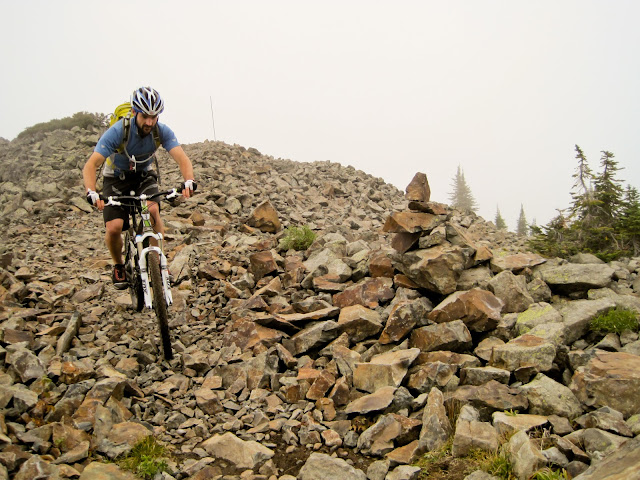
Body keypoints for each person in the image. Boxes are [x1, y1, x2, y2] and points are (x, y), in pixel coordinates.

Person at [82, 86, 196, 289]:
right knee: (114, 227)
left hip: (143, 176)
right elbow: (91, 165)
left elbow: (182, 158)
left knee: (152, 210)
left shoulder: (161, 131)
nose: (149, 122)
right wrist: (91, 192)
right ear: (135, 112)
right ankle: (118, 265)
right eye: (145, 116)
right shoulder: (118, 131)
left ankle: (159, 263)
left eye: (154, 117)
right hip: (116, 178)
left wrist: (189, 180)